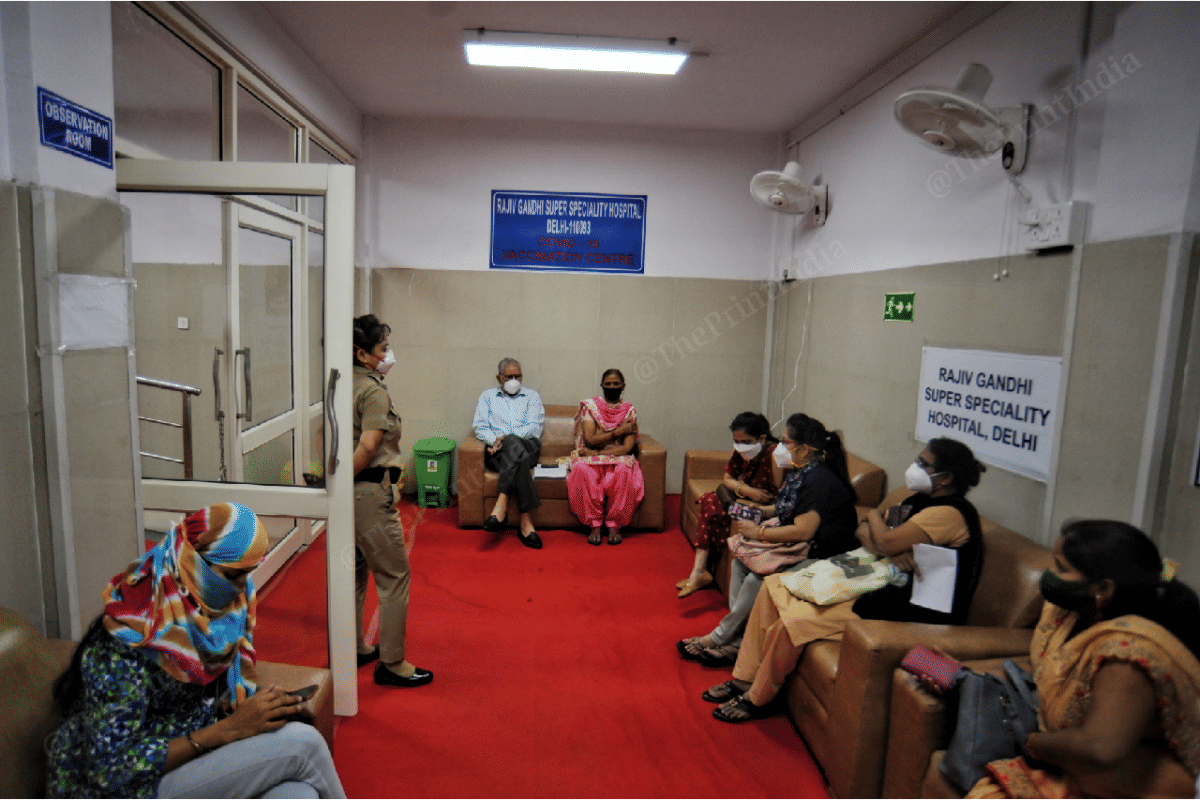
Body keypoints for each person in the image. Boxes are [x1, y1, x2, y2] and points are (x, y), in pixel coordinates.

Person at [45, 503, 346, 799]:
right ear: (192, 562)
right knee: (303, 745)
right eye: (232, 575)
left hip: (185, 755)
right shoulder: (127, 641)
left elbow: (206, 696)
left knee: (298, 793)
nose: (242, 588)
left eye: (247, 573)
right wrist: (226, 730)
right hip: (124, 786)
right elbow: (110, 771)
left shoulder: (211, 611)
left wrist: (251, 708)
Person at [702, 437, 985, 723]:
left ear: (946, 477)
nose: (916, 467)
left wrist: (876, 518)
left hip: (904, 610)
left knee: (793, 623)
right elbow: (863, 532)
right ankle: (744, 678)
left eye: (924, 463)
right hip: (879, 586)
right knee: (773, 586)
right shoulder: (918, 501)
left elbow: (883, 539)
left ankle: (759, 697)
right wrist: (882, 538)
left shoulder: (949, 513)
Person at [961, 519, 1200, 799]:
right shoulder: (1070, 615)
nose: (1049, 575)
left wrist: (1032, 743)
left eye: (1061, 568)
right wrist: (952, 670)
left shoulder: (1127, 654)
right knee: (936, 670)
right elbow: (1043, 667)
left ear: (1103, 589)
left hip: (1115, 781)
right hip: (1046, 733)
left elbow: (1100, 749)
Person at [677, 413, 858, 669]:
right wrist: (762, 512)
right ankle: (739, 641)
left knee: (756, 579)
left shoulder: (819, 480)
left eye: (785, 442)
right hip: (799, 547)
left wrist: (758, 533)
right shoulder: (801, 471)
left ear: (804, 449)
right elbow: (787, 508)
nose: (779, 447)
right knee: (739, 562)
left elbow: (802, 532)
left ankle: (719, 637)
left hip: (822, 556)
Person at [353, 313, 432, 687]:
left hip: (349, 497)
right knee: (394, 576)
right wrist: (345, 481)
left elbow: (323, 435)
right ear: (362, 353)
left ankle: (354, 647)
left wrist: (336, 484)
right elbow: (369, 446)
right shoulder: (373, 392)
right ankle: (392, 663)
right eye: (383, 348)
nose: (388, 355)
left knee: (354, 571)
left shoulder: (340, 385)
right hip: (369, 494)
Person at [677, 411, 779, 598]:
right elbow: (728, 478)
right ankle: (698, 572)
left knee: (718, 510)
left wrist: (763, 508)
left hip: (766, 512)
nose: (740, 446)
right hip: (748, 500)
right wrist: (746, 490)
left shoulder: (775, 456)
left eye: (746, 442)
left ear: (762, 439)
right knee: (710, 502)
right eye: (736, 441)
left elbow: (787, 501)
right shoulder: (741, 452)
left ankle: (700, 574)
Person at [472, 357, 546, 549]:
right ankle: (526, 523)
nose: (514, 380)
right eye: (509, 377)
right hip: (497, 452)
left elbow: (534, 427)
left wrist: (505, 439)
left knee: (513, 441)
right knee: (515, 450)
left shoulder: (532, 396)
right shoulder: (487, 397)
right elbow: (480, 426)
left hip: (529, 447)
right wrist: (495, 441)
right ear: (499, 378)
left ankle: (501, 504)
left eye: (517, 376)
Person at [567, 368, 644, 546]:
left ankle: (614, 525)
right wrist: (619, 432)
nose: (612, 387)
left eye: (616, 383)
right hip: (591, 455)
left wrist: (598, 453)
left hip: (615, 456)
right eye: (608, 384)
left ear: (623, 386)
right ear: (602, 385)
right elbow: (590, 440)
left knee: (624, 470)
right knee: (581, 469)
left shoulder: (629, 410)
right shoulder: (591, 407)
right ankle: (594, 524)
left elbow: (627, 447)